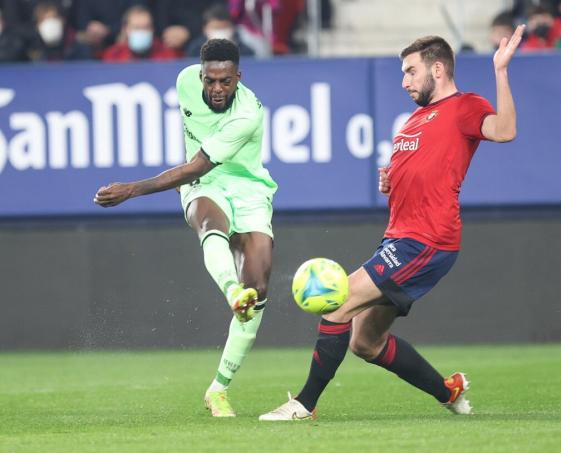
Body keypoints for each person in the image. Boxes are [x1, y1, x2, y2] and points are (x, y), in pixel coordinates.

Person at [259, 27, 525, 421]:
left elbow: (505, 130)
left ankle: (304, 404)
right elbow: (418, 172)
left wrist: (500, 71)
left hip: (427, 240)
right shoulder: (415, 121)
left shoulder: (465, 106)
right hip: (399, 237)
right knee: (366, 342)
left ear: (438, 69)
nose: (404, 82)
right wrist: (392, 180)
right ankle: (448, 391)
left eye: (410, 72)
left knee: (337, 302)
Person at [94, 39, 277, 418]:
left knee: (258, 288)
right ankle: (231, 292)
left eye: (225, 81)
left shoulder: (248, 114)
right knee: (209, 222)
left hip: (247, 188)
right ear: (200, 75)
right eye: (210, 80)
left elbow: (196, 165)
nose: (216, 89)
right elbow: (195, 175)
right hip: (205, 185)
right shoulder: (183, 82)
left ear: (238, 78)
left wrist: (132, 189)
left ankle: (218, 389)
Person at [102, 5, 179, 62]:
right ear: (126, 29)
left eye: (146, 27)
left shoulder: (167, 54)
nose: (142, 31)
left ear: (152, 29)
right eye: (137, 28)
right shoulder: (113, 55)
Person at [186, 4, 254, 58]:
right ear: (205, 29)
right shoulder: (195, 50)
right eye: (216, 28)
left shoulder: (245, 51)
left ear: (232, 28)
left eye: (224, 27)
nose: (220, 31)